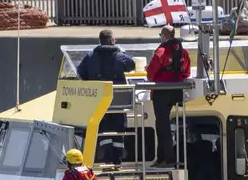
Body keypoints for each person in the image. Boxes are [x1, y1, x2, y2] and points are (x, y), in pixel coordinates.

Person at [77, 30, 135, 167]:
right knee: (119, 130)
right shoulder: (119, 55)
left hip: (99, 102)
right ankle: (117, 161)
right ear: (112, 41)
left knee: (104, 130)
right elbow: (131, 64)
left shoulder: (90, 56)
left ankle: (108, 160)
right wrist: (122, 52)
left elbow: (80, 73)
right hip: (118, 102)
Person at [146, 25, 192, 168]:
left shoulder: (160, 51)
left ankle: (168, 158)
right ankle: (162, 158)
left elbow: (150, 75)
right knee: (165, 125)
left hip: (161, 92)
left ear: (164, 36)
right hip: (177, 91)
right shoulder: (183, 52)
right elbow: (187, 72)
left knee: (162, 125)